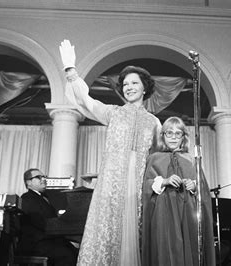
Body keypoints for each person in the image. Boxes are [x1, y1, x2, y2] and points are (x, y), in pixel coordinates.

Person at [59, 40, 161, 265]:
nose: (129, 87)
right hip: (112, 185)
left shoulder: (154, 122)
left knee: (137, 236)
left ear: (145, 87)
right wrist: (71, 70)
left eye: (134, 83)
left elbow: (158, 159)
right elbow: (85, 100)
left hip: (140, 188)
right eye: (125, 84)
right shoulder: (112, 113)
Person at [141, 116, 215, 266]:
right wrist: (164, 181)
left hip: (187, 212)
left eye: (178, 133)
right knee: (164, 249)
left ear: (183, 137)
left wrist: (194, 186)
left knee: (190, 248)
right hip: (163, 213)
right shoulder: (154, 158)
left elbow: (204, 189)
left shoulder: (191, 159)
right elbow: (146, 186)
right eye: (169, 133)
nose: (173, 137)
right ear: (163, 136)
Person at [18, 168, 78, 265]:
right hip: (37, 244)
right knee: (67, 256)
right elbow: (40, 222)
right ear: (28, 182)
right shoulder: (27, 198)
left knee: (77, 252)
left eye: (44, 177)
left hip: (49, 240)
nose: (43, 179)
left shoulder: (44, 197)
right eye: (38, 177)